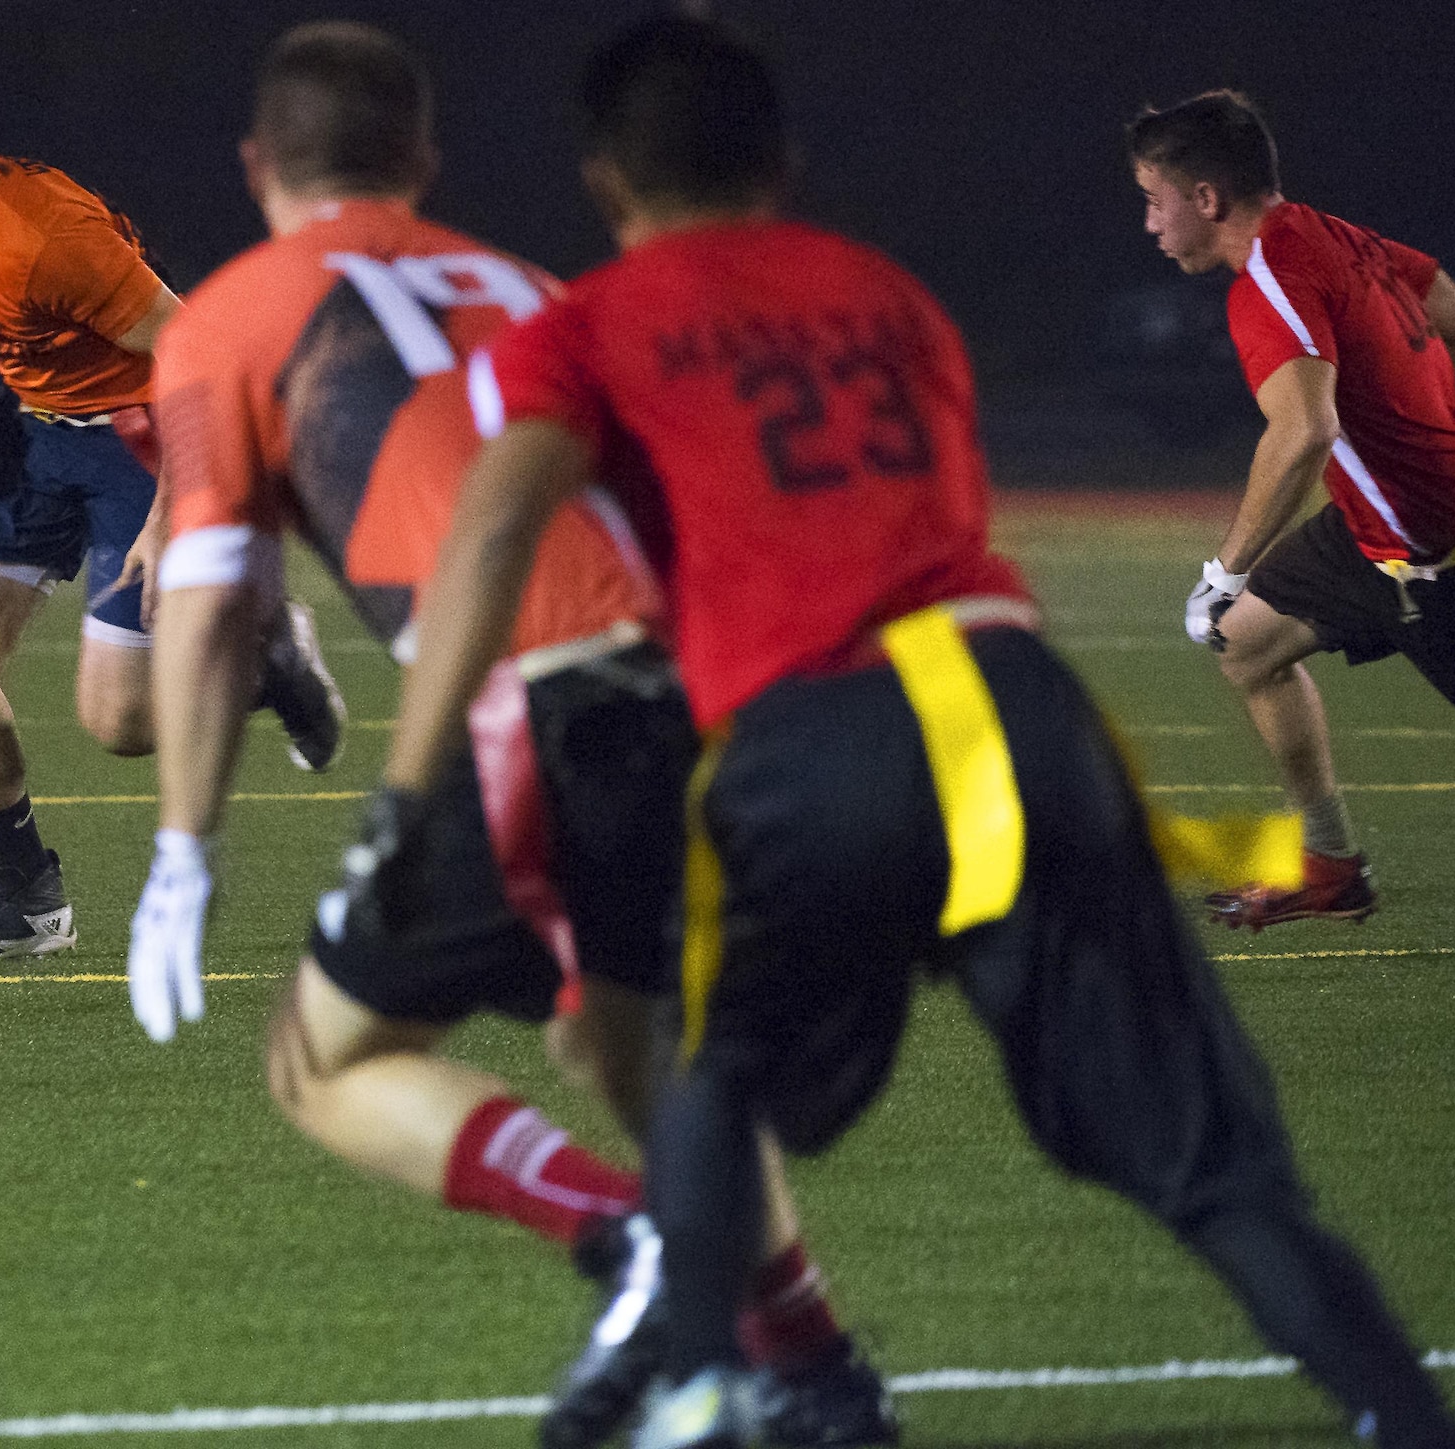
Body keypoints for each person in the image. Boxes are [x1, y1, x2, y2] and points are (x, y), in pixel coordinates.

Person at [375, 16, 1455, 1449]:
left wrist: (410, 789)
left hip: (821, 737)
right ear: (784, 162)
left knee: (718, 1076)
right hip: (1015, 714)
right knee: (1213, 1170)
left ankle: (703, 1385)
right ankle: (1410, 1418)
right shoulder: (888, 297)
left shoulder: (582, 329)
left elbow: (496, 527)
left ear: (602, 182)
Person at [125, 24, 892, 1449]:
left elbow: (210, 602)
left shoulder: (224, 317)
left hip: (530, 705)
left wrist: (185, 844)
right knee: (637, 1054)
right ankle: (819, 1375)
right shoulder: (534, 285)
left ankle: (635, 1246)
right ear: (420, 159)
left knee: (325, 1056)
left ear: (255, 165)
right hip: (695, 693)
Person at [0, 49, 343, 966]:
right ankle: (28, 903)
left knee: (123, 725)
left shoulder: (44, 232)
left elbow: (199, 355)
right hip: (27, 435)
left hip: (140, 437)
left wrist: (166, 511)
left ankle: (264, 651)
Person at [1131, 90, 1455, 931]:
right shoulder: (1330, 233)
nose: (1151, 226)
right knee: (1247, 642)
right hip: (1390, 538)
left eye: (1154, 203)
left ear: (1206, 199)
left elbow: (1304, 432)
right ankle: (1331, 864)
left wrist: (1222, 570)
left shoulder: (1267, 280)